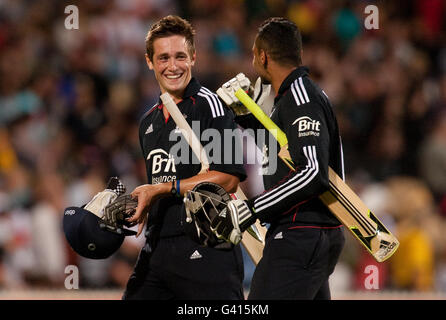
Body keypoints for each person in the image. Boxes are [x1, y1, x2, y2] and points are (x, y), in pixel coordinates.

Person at [212, 17, 345, 300]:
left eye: (252, 54)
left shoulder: (300, 99)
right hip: (311, 233)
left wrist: (253, 209)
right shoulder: (294, 96)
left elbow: (312, 172)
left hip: (302, 232)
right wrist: (247, 118)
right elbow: (286, 155)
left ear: (263, 56)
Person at [123, 15, 246, 300]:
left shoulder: (211, 105)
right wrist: (143, 205)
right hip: (158, 249)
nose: (173, 66)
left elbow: (228, 179)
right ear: (149, 61)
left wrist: (164, 189)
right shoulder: (147, 122)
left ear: (193, 57)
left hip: (207, 247)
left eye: (180, 56)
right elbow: (158, 181)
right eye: (163, 58)